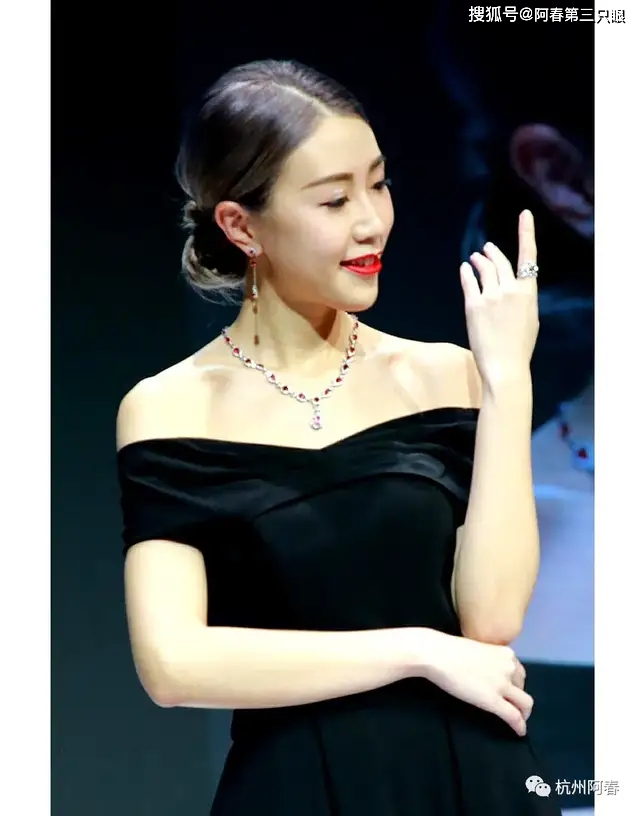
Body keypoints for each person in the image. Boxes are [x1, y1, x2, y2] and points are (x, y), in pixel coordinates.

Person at [116, 59, 560, 815]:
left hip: (469, 778)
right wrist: (416, 650)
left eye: (378, 185)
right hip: (296, 787)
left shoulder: (445, 375)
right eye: (334, 199)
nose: (371, 222)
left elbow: (491, 620)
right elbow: (173, 662)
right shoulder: (171, 407)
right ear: (241, 226)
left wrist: (508, 379)